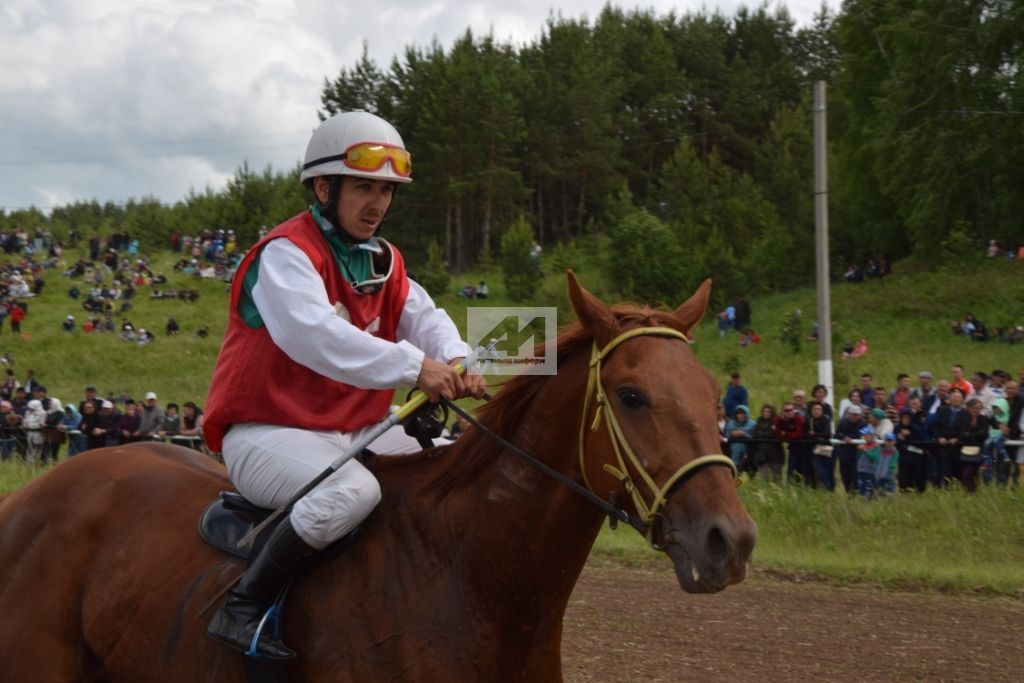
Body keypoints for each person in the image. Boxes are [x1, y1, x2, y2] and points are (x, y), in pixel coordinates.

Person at [202, 111, 487, 660]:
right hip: (268, 434)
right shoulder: (285, 254)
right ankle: (243, 608)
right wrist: (417, 368)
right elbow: (316, 336)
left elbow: (425, 316)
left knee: (459, 467)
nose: (378, 202)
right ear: (324, 187)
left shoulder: (383, 259)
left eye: (386, 190)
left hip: (353, 431)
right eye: (364, 187)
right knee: (352, 493)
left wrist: (454, 355)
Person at [955, 398, 989, 492]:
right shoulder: (965, 419)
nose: (976, 410)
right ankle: (971, 493)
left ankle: (971, 493)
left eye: (979, 408)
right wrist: (976, 434)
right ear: (969, 408)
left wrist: (969, 434)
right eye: (974, 408)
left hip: (979, 451)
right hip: (965, 451)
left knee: (970, 473)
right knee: (967, 473)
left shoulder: (984, 419)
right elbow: (961, 434)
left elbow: (984, 434)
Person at [835, 405, 866, 494]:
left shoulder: (863, 424)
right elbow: (836, 434)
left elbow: (865, 435)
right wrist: (844, 437)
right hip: (844, 453)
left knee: (855, 476)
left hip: (856, 454)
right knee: (845, 476)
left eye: (857, 415)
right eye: (853, 414)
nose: (855, 416)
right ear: (848, 414)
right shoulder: (842, 422)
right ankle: (848, 492)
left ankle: (854, 493)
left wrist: (853, 439)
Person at [806, 401, 834, 491]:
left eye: (819, 409)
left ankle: (830, 489)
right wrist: (818, 436)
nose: (816, 411)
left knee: (828, 471)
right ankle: (826, 487)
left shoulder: (826, 419)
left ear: (822, 411)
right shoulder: (809, 420)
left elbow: (827, 434)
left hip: (827, 448)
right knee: (820, 470)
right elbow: (807, 434)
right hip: (815, 449)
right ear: (811, 411)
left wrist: (814, 434)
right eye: (814, 409)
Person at [725, 405, 755, 473]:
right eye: (738, 413)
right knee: (735, 468)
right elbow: (726, 437)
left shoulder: (752, 424)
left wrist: (744, 434)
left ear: (746, 414)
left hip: (748, 450)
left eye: (743, 413)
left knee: (747, 468)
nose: (740, 415)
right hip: (734, 451)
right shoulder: (730, 424)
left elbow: (755, 437)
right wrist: (732, 435)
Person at [856, 428, 880, 499]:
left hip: (870, 472)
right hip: (861, 470)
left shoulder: (876, 446)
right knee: (861, 488)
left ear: (872, 436)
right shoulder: (863, 445)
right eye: (864, 435)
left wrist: (865, 451)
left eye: (866, 434)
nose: (864, 436)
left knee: (869, 490)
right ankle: (861, 503)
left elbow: (874, 459)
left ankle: (871, 502)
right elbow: (857, 457)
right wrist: (859, 451)